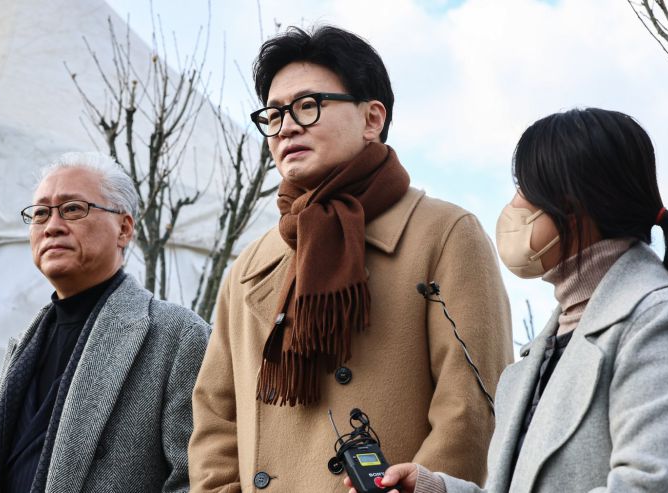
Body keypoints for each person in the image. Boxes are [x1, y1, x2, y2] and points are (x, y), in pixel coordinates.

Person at [188, 25, 513, 492]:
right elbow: (215, 420)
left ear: (372, 119)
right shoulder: (249, 266)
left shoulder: (444, 233)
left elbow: (471, 406)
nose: (287, 127)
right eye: (273, 115)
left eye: (308, 105)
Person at [355, 107, 668, 493]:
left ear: (574, 207)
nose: (513, 206)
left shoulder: (661, 324)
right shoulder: (547, 347)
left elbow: (655, 486)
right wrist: (434, 488)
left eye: (525, 189)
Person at [0, 152, 210, 493]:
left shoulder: (178, 336)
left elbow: (197, 479)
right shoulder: (23, 345)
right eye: (40, 213)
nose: (52, 226)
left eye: (72, 209)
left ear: (124, 229)